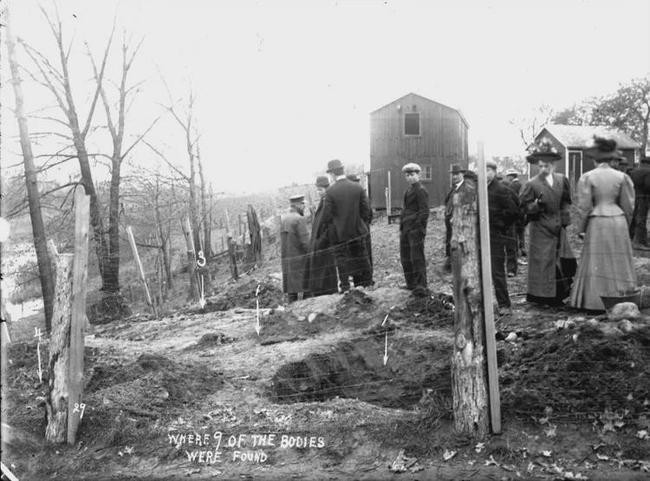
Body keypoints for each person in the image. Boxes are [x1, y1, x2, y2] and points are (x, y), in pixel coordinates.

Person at [568, 137, 637, 311]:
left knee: (596, 259)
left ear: (595, 159)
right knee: (619, 259)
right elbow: (629, 207)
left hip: (597, 221)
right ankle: (621, 298)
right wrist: (625, 226)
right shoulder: (622, 177)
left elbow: (584, 207)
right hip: (618, 220)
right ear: (612, 159)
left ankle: (594, 302)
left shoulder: (587, 177)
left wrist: (581, 229)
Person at [520, 140, 577, 306]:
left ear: (553, 165)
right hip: (540, 228)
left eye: (547, 166)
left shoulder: (562, 180)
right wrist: (535, 206)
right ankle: (541, 297)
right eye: (541, 166)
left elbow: (566, 201)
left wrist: (564, 220)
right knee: (543, 263)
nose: (544, 169)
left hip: (558, 227)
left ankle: (560, 295)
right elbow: (523, 207)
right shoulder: (532, 184)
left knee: (561, 261)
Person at [321, 159, 373, 291]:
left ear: (332, 174)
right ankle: (367, 284)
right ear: (343, 170)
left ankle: (345, 286)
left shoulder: (330, 191)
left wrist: (335, 225)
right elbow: (366, 210)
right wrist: (360, 224)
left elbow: (326, 216)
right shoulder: (357, 187)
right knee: (362, 255)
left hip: (340, 233)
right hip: (357, 230)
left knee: (341, 259)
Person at [486, 161, 520, 315]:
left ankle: (504, 305)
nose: (484, 173)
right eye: (482, 170)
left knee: (497, 270)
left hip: (495, 236)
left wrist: (500, 224)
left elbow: (513, 211)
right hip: (480, 236)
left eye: (487, 170)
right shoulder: (478, 189)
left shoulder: (500, 189)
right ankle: (484, 303)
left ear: (494, 172)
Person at [303, 176, 339, 297]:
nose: (319, 192)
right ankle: (320, 294)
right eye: (317, 190)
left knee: (326, 272)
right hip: (318, 244)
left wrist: (320, 241)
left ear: (326, 188)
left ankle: (327, 294)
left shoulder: (328, 201)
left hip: (324, 245)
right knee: (319, 272)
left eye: (321, 190)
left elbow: (330, 225)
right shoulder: (323, 201)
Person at [399, 162, 430, 295]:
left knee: (417, 257)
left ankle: (421, 285)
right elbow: (406, 209)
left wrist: (416, 228)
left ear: (418, 175)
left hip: (415, 230)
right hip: (406, 229)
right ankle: (411, 283)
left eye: (412, 175)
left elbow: (424, 212)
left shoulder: (421, 190)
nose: (410, 178)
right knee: (406, 257)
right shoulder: (409, 190)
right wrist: (403, 227)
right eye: (407, 175)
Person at [280, 195, 310, 302]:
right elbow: (305, 243)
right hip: (299, 260)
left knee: (291, 291)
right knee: (307, 288)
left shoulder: (284, 219)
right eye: (303, 204)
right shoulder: (299, 219)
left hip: (287, 259)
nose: (304, 207)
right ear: (297, 205)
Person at [346, 172, 374, 283]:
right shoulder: (362, 194)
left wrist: (360, 224)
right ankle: (363, 278)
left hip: (359, 229)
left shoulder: (357, 196)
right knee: (364, 253)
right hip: (363, 229)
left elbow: (368, 213)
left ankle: (364, 279)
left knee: (361, 254)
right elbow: (369, 213)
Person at [502, 168, 525, 276]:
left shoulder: (513, 187)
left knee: (512, 245)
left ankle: (511, 268)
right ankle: (511, 268)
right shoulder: (514, 186)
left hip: (511, 220)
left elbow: (518, 203)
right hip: (510, 220)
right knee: (512, 244)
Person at [443, 164, 466, 273]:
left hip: (458, 220)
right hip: (449, 219)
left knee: (457, 241)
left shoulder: (465, 188)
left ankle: (454, 265)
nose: (455, 177)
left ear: (462, 174)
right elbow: (447, 201)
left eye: (457, 174)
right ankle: (450, 261)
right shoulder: (454, 188)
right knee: (449, 239)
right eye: (453, 174)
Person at [629, 155, 650, 249]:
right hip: (644, 198)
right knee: (641, 219)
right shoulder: (648, 171)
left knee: (634, 218)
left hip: (634, 196)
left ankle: (632, 238)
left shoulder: (633, 172)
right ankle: (640, 242)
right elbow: (648, 186)